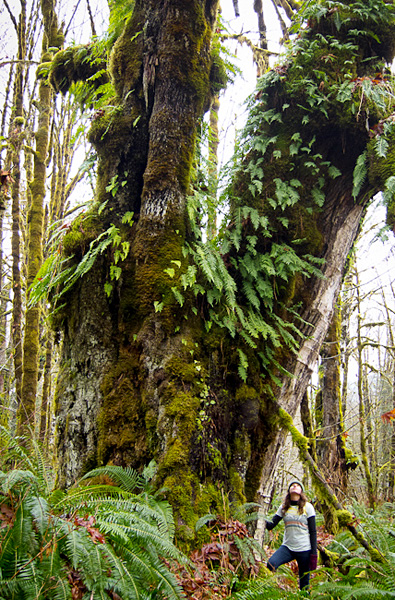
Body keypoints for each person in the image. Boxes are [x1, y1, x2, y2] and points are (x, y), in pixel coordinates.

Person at [265, 480, 317, 590]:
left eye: (298, 485)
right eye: (292, 485)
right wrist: (260, 518)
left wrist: (314, 553)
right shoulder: (284, 507)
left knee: (304, 583)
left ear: (301, 491)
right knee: (271, 564)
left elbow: (313, 531)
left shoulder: (308, 507)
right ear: (289, 491)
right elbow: (271, 525)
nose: (295, 486)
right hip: (288, 547)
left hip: (305, 549)